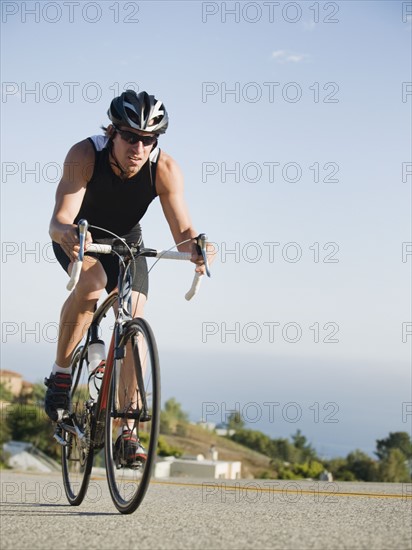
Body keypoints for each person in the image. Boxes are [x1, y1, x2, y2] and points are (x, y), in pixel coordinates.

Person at [45, 90, 209, 464]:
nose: (139, 146)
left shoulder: (164, 169)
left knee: (133, 319)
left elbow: (183, 231)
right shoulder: (85, 155)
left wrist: (197, 249)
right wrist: (67, 234)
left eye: (148, 139)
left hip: (125, 243)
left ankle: (128, 432)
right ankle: (59, 376)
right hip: (79, 236)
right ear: (113, 132)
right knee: (92, 285)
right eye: (130, 137)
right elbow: (59, 219)